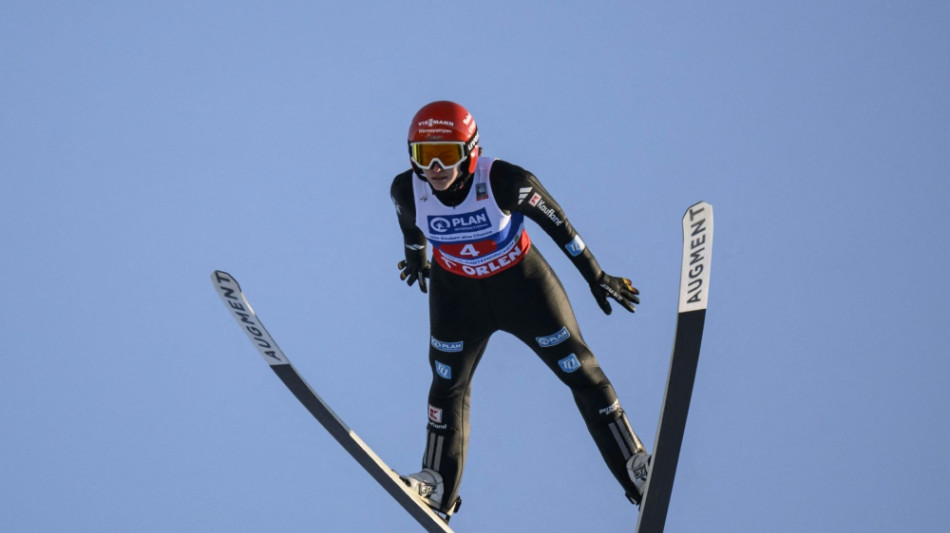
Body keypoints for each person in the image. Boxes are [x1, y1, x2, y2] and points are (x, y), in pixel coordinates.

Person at [390, 100, 650, 519]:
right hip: (457, 297)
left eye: (447, 155)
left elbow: (561, 227)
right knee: (446, 387)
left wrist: (596, 276)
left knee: (581, 372)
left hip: (522, 288)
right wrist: (418, 258)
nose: (435, 167)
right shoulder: (407, 189)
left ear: (470, 151)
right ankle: (436, 487)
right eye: (424, 156)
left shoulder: (508, 182)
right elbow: (409, 225)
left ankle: (636, 469)